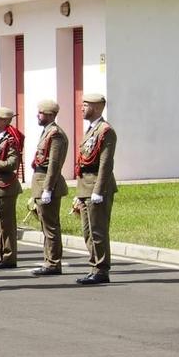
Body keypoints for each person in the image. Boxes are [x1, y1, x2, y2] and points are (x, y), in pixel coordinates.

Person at [74, 94, 117, 284]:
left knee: (97, 231)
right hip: (86, 186)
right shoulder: (92, 129)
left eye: (86, 105)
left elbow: (106, 164)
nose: (82, 108)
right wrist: (79, 193)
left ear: (98, 108)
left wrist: (98, 191)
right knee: (88, 232)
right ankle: (94, 267)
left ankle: (101, 269)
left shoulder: (105, 131)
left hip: (97, 187)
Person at [28, 99, 70, 276]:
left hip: (47, 182)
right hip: (41, 182)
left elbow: (54, 163)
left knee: (51, 226)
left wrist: (48, 188)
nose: (38, 115)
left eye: (41, 113)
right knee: (46, 226)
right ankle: (49, 260)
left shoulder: (56, 134)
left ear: (51, 115)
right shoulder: (47, 132)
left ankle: (53, 263)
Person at [0, 108, 24, 269]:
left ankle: (8, 257)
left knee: (6, 225)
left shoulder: (11, 140)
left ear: (4, 121)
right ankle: (3, 256)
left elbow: (12, 163)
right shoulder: (0, 138)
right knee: (0, 224)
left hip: (6, 186)